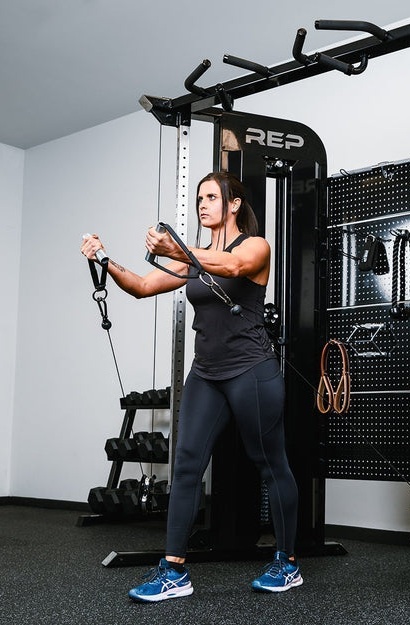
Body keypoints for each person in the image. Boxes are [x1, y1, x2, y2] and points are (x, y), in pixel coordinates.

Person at [80, 171, 301, 601]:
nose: (203, 205)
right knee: (184, 467)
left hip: (251, 371)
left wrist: (177, 248)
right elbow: (144, 287)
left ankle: (287, 561)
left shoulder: (256, 247)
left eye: (212, 197)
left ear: (233, 204)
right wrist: (104, 259)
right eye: (200, 198)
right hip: (206, 374)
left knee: (271, 464)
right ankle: (174, 570)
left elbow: (234, 266)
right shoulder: (192, 258)